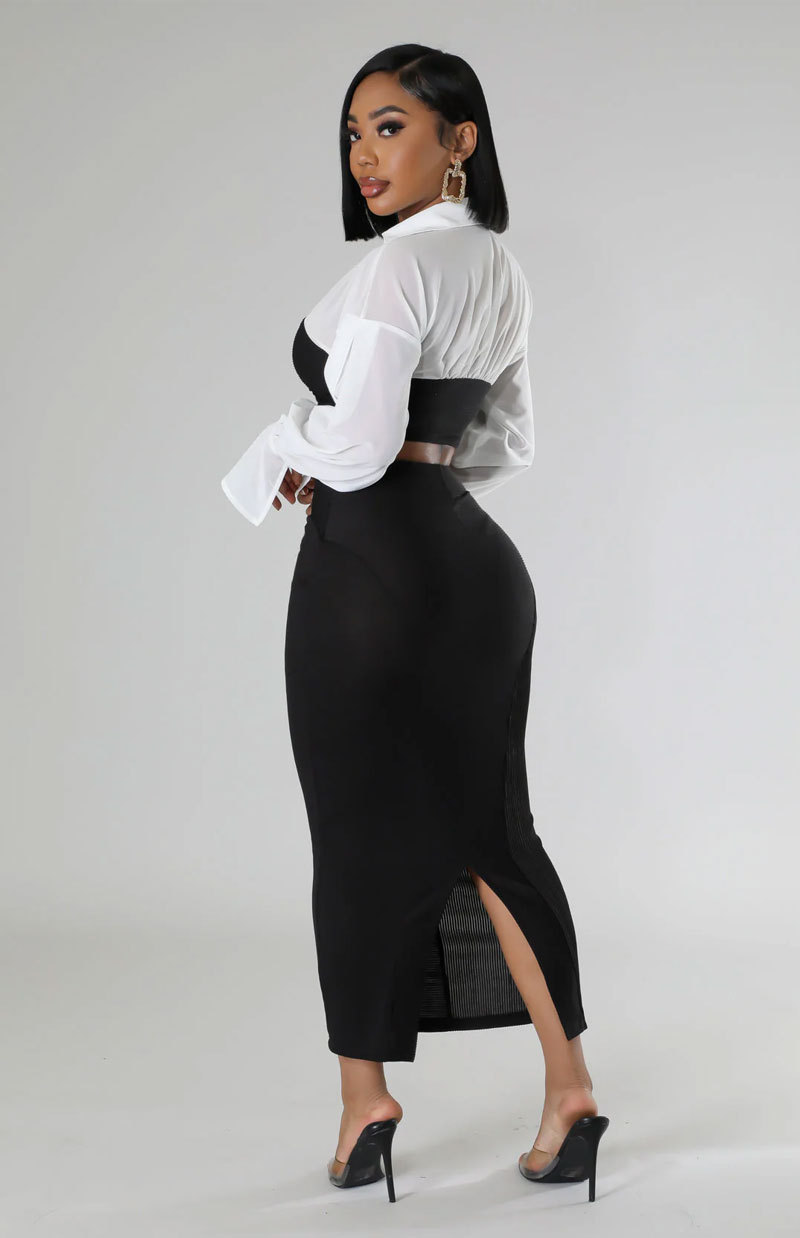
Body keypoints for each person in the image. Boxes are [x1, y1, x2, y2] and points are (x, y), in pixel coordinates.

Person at [221, 44, 609, 1204]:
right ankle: (571, 1094)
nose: (362, 154)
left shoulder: (396, 267)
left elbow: (353, 438)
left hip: (367, 580)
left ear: (459, 140)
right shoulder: (498, 268)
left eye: (388, 126)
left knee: (354, 837)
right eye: (351, 133)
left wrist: (284, 447)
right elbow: (503, 443)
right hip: (474, 570)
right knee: (496, 834)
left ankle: (366, 1106)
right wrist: (404, 479)